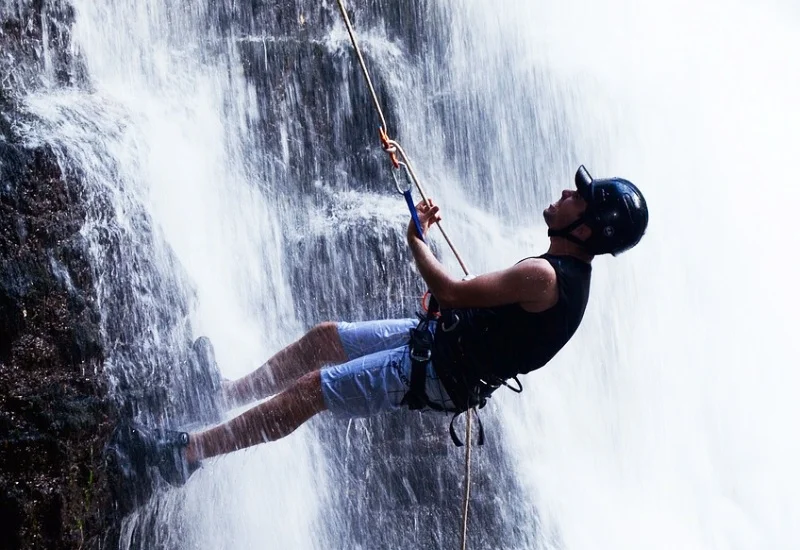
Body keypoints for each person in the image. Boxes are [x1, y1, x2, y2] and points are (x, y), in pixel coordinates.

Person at [131, 165, 649, 486]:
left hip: (440, 371)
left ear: (587, 227)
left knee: (313, 389)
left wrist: (415, 238)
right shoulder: (565, 277)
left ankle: (187, 452)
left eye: (579, 197)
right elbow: (485, 315)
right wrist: (451, 310)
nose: (566, 191)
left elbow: (450, 289)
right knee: (326, 339)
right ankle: (227, 393)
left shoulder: (545, 276)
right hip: (440, 344)